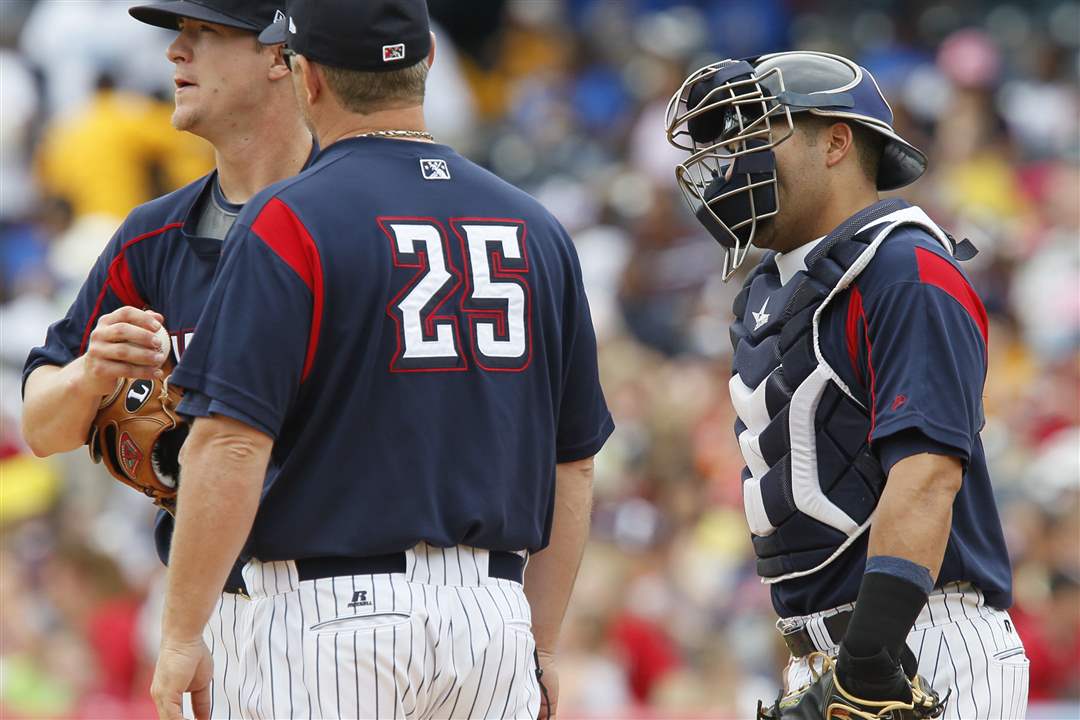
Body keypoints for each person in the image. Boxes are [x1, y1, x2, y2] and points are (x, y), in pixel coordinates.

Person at [150, 1, 614, 719]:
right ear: (428, 60)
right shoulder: (537, 227)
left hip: (328, 622)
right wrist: (542, 644)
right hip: (490, 621)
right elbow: (573, 464)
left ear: (306, 77)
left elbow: (232, 443)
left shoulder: (289, 217)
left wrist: (183, 631)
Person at [665, 51, 1029, 719]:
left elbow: (927, 474)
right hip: (827, 655)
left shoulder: (903, 266)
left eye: (758, 135)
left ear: (836, 142)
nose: (734, 163)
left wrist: (867, 659)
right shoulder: (775, 288)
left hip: (916, 642)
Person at [21, 1, 314, 717]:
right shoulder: (153, 235)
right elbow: (41, 426)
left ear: (279, 56)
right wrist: (90, 374)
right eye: (178, 34)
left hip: (352, 587)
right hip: (214, 607)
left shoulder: (351, 218)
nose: (174, 53)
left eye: (204, 34)